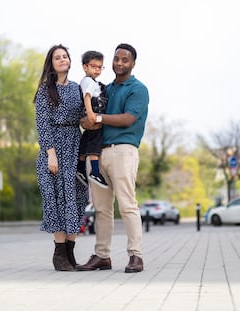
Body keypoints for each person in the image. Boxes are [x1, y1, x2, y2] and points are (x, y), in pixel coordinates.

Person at [76, 43, 149, 273]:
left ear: (133, 63)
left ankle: (135, 255)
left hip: (123, 151)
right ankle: (102, 256)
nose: (119, 63)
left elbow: (128, 119)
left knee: (127, 205)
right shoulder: (104, 88)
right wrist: (85, 120)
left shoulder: (138, 89)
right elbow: (89, 113)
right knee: (101, 209)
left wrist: (97, 118)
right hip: (97, 152)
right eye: (116, 59)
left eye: (124, 60)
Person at [34, 44, 88, 271]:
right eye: (58, 57)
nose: (62, 59)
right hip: (54, 149)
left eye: (65, 56)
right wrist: (51, 154)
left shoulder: (77, 88)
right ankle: (58, 254)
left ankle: (70, 251)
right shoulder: (45, 90)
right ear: (51, 63)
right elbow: (42, 124)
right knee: (55, 199)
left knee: (75, 197)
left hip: (75, 144)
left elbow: (85, 115)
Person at [76, 50, 109, 189]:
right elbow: (87, 96)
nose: (97, 69)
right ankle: (95, 172)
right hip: (94, 115)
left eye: (100, 67)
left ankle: (80, 169)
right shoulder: (88, 81)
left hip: (92, 114)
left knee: (85, 142)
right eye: (93, 66)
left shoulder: (94, 82)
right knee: (95, 142)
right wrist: (91, 114)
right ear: (85, 67)